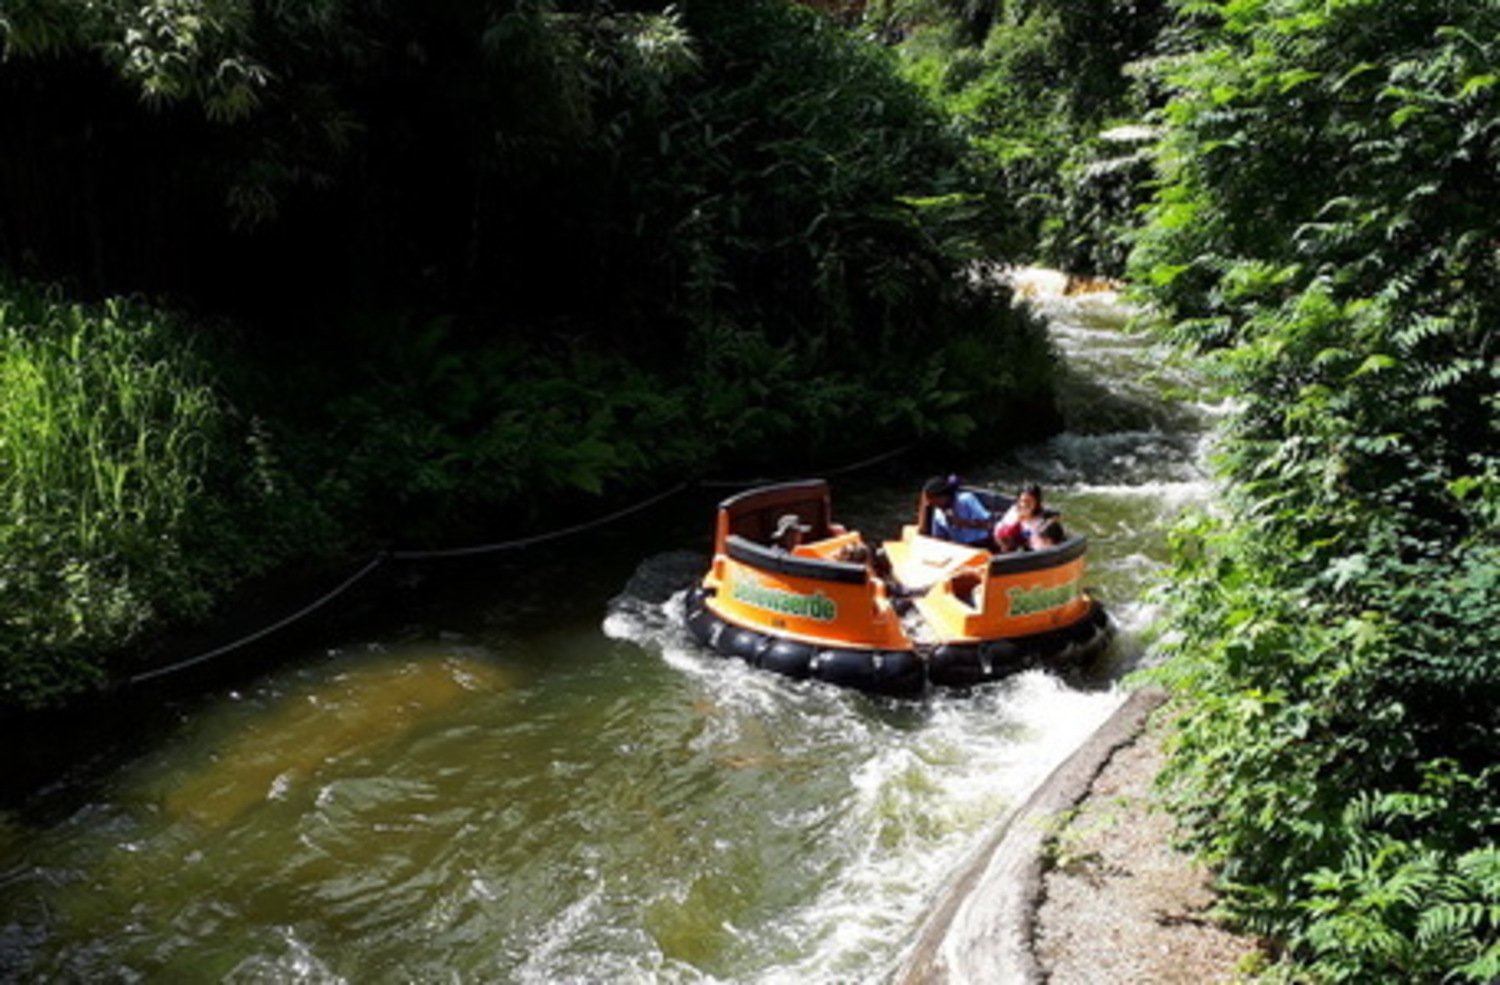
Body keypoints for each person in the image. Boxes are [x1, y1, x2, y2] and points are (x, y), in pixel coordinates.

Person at [924, 475, 995, 549]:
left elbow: (987, 524)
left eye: (936, 502)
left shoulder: (966, 500)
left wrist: (960, 522)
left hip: (981, 543)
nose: (935, 505)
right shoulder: (938, 511)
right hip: (960, 547)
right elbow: (938, 537)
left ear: (944, 496)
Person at [993, 482, 1059, 552]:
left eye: (1029, 502)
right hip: (1013, 547)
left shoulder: (1043, 517)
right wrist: (1018, 521)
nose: (1024, 505)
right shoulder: (1015, 512)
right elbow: (1000, 534)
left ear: (1037, 503)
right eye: (1022, 501)